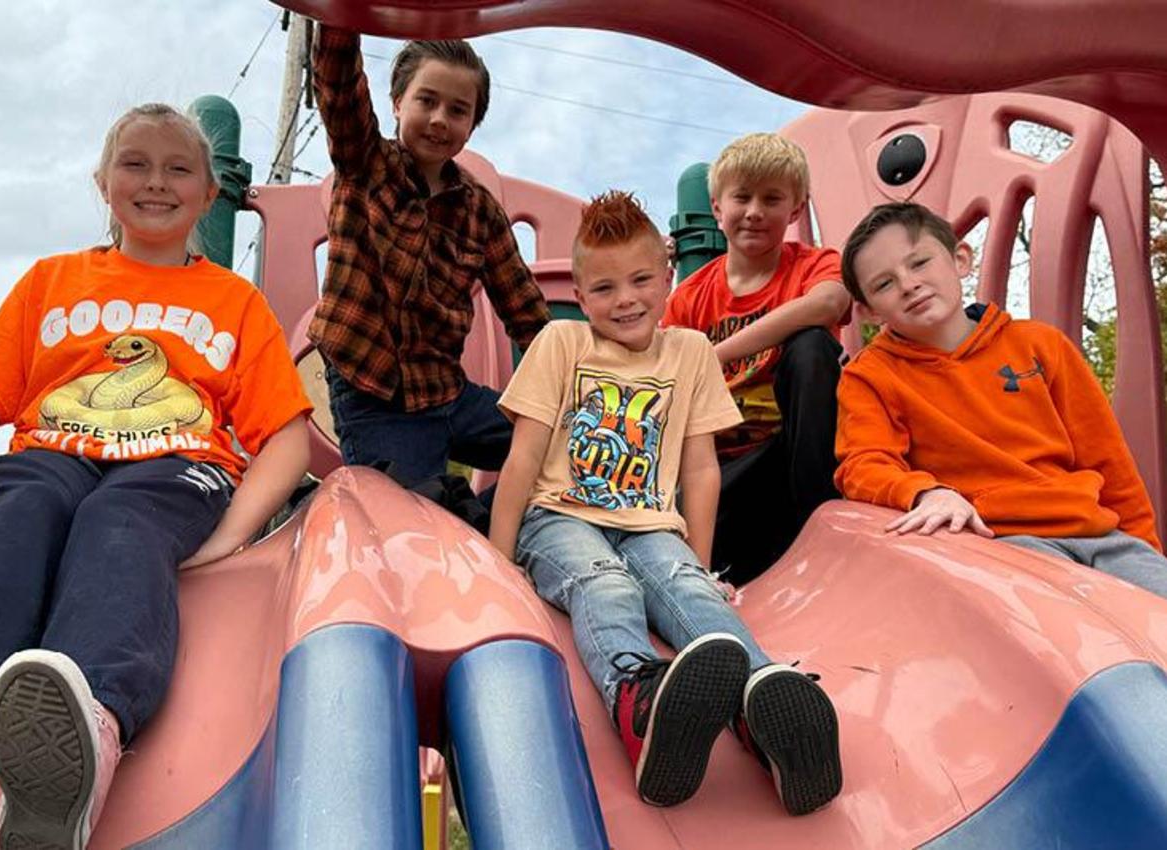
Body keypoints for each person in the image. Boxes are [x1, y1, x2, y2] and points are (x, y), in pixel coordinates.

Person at [0, 103, 312, 848]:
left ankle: (82, 740)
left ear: (206, 194)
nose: (155, 181)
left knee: (120, 521)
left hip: (176, 466)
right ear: (103, 182)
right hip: (51, 456)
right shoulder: (53, 281)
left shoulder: (232, 301)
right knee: (23, 510)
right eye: (135, 163)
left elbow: (286, 437)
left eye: (178, 168)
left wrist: (229, 535)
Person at [490, 191, 841, 812]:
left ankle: (763, 702)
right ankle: (638, 700)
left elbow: (701, 469)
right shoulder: (561, 343)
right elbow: (521, 457)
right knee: (605, 583)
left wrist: (700, 562)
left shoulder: (691, 353)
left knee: (686, 585)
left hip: (651, 522)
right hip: (558, 516)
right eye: (603, 289)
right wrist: (496, 559)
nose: (624, 299)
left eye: (640, 280)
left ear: (667, 275)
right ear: (578, 291)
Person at [834, 201, 1167, 595]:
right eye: (884, 284)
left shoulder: (1040, 345)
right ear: (869, 311)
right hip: (1003, 543)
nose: (908, 284)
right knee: (1084, 639)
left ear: (960, 259)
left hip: (1101, 535)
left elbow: (1109, 462)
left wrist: (1145, 550)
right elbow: (863, 464)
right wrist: (926, 492)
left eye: (919, 262)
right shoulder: (871, 376)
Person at [309, 24, 550, 486]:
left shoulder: (479, 210)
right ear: (398, 102)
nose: (440, 119)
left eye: (458, 110)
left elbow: (526, 313)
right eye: (427, 101)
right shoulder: (365, 163)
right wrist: (340, 16)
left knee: (567, 445)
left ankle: (496, 523)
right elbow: (338, 83)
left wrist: (580, 383)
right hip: (375, 393)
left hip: (446, 391)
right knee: (409, 521)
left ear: (472, 124)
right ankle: (450, 509)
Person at [663, 133, 850, 584]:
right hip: (724, 470)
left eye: (772, 199)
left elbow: (829, 304)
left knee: (812, 345)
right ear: (716, 208)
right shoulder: (691, 297)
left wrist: (714, 353)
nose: (754, 211)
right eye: (741, 197)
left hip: (793, 458)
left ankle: (822, 524)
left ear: (796, 209)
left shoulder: (813, 264)